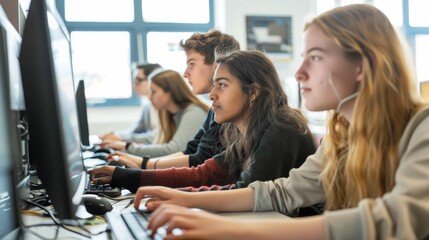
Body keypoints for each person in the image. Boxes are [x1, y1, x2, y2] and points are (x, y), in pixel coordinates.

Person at [133, 4, 429, 239]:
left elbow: (395, 219)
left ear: (362, 66)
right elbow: (283, 191)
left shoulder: (422, 127)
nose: (299, 72)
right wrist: (182, 200)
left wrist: (229, 229)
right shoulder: (342, 135)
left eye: (314, 57)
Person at [89, 50, 316, 194]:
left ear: (253, 92)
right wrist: (127, 177)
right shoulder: (239, 131)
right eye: (214, 84)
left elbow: (246, 193)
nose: (212, 95)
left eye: (222, 85)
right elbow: (204, 174)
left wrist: (178, 199)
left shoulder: (281, 127)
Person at [104, 29, 241, 170]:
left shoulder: (220, 111)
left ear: (217, 66)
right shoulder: (214, 109)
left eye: (191, 64)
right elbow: (191, 150)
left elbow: (199, 159)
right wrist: (142, 163)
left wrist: (143, 165)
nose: (186, 73)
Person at [99, 69, 209, 158]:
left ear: (170, 92)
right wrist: (121, 139)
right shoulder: (171, 114)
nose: (149, 97)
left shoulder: (194, 112)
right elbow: (153, 137)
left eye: (154, 91)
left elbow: (174, 149)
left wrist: (126, 146)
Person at [99, 63, 161, 143]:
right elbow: (136, 130)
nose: (134, 85)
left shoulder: (167, 106)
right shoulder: (147, 105)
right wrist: (115, 136)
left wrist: (122, 139)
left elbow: (157, 136)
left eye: (138, 80)